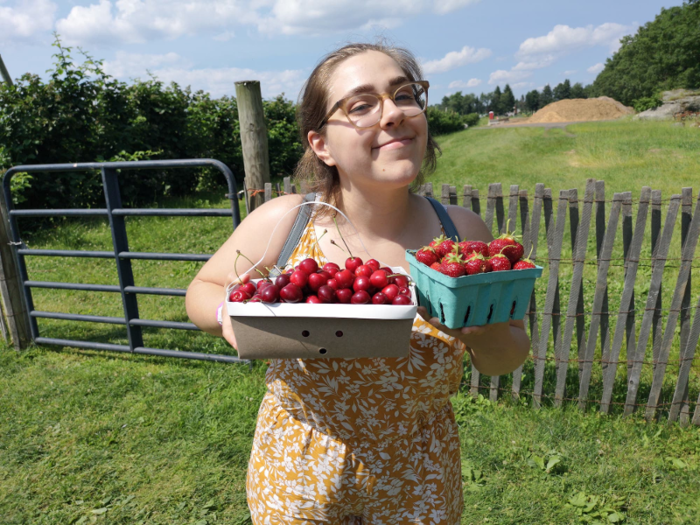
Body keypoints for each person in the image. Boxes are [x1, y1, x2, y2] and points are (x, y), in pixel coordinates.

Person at [186, 42, 530, 525]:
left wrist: (481, 331)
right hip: (298, 470)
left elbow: (507, 357)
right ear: (321, 143)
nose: (392, 114)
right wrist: (228, 315)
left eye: (404, 95)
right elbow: (202, 290)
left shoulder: (461, 239)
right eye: (362, 105)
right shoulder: (287, 223)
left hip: (420, 475)